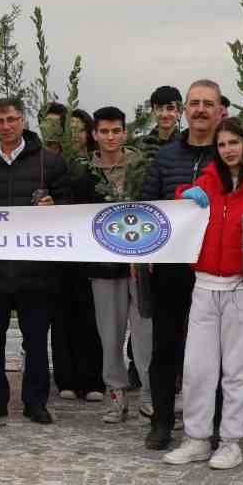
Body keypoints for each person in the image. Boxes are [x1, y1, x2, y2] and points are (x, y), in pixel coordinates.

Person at [164, 117, 243, 471]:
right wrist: (183, 196)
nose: (228, 150)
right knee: (197, 367)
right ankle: (197, 438)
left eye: (234, 142)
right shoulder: (208, 182)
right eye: (222, 144)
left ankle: (231, 441)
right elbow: (181, 205)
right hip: (205, 285)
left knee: (236, 369)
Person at [0, 96, 75, 425]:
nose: (6, 126)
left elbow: (72, 207)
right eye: (0, 121)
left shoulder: (50, 162)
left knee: (36, 342)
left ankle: (36, 402)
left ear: (23, 120)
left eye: (12, 119)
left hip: (36, 270)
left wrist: (55, 206)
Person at [140, 79, 226, 451]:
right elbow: (148, 206)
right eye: (195, 103)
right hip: (172, 267)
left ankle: (214, 421)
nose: (201, 110)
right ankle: (162, 420)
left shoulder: (229, 152)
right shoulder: (165, 157)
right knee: (165, 347)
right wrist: (145, 256)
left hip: (216, 267)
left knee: (214, 351)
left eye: (208, 103)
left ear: (220, 110)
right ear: (185, 110)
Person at [86, 106, 153, 424]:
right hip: (103, 268)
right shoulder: (86, 174)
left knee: (145, 335)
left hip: (141, 266)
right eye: (104, 131)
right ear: (95, 134)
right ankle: (115, 394)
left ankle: (151, 394)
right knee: (109, 335)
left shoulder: (144, 168)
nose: (110, 137)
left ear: (125, 133)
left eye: (116, 131)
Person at [44, 102, 105, 404]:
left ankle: (93, 378)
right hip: (60, 248)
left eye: (82, 130)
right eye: (72, 130)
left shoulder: (97, 165)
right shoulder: (54, 165)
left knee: (91, 316)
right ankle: (65, 378)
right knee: (61, 315)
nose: (77, 135)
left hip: (91, 249)